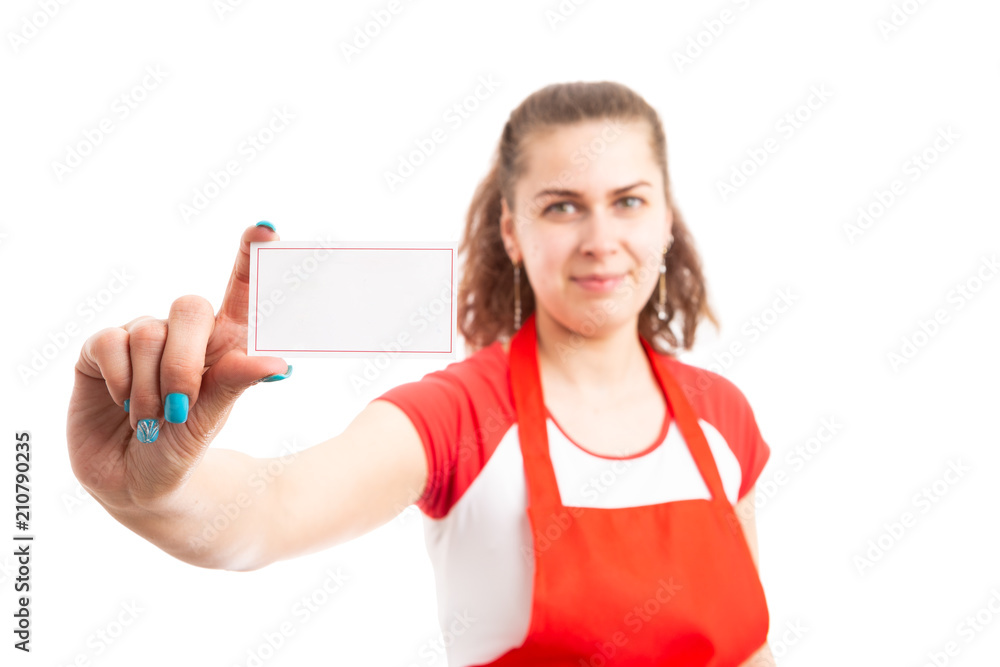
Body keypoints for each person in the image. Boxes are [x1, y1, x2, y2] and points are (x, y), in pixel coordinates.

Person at [68, 81, 776, 666]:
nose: (600, 240)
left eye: (629, 200)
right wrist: (158, 489)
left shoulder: (723, 415)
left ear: (666, 221)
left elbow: (751, 647)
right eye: (562, 205)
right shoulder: (459, 415)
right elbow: (271, 508)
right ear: (511, 231)